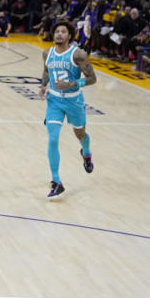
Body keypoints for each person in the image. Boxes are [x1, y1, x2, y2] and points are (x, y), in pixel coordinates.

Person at [39, 20, 97, 199]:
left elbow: (92, 78)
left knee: (80, 134)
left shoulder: (78, 54)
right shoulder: (47, 53)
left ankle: (86, 152)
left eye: (63, 32)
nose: (59, 34)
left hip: (74, 101)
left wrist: (73, 83)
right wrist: (43, 85)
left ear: (69, 36)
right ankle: (56, 182)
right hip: (54, 101)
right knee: (53, 139)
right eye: (57, 31)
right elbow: (47, 71)